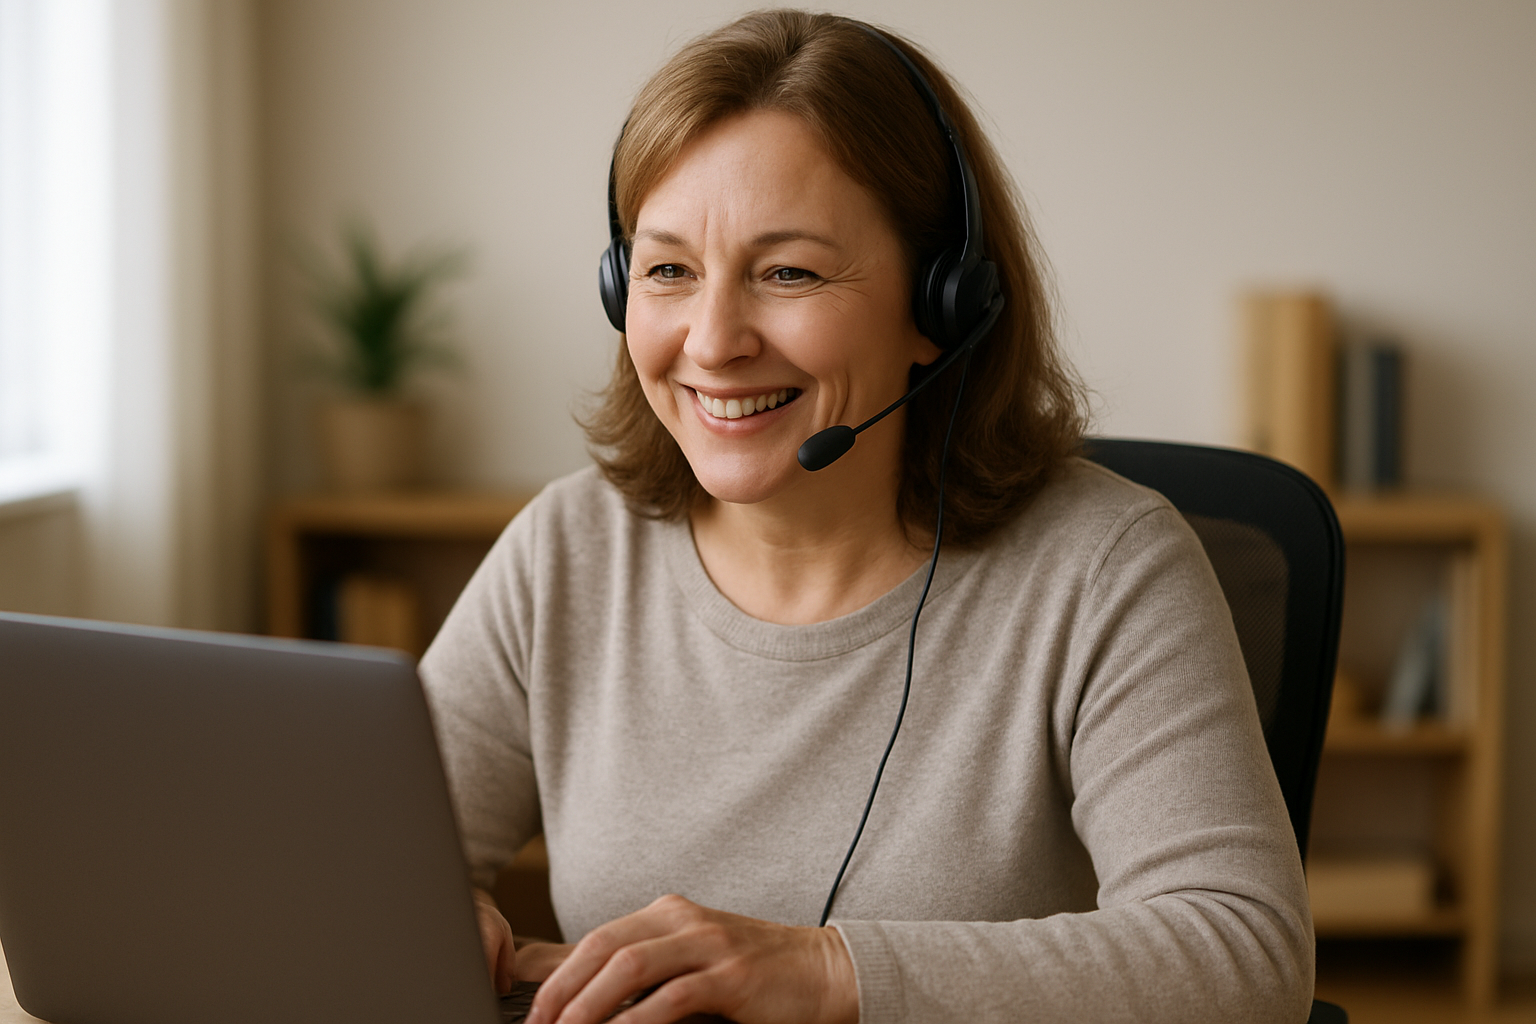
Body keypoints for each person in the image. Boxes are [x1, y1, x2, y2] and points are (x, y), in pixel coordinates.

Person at [419, 10, 1314, 1024]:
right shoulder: (568, 550)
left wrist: (828, 971)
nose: (712, 343)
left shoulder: (1106, 567)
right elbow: (373, 853)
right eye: (667, 269)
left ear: (941, 307)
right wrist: (422, 910)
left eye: (788, 272)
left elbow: (1244, 953)